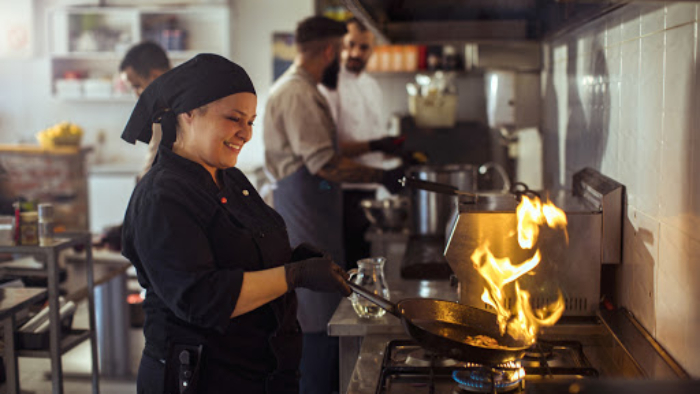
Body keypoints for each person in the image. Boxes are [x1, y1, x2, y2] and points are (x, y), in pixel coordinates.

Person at [120, 53, 352, 394]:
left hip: (258, 376)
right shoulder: (163, 195)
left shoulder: (230, 179)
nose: (245, 133)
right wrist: (294, 276)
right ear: (188, 113)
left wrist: (292, 259)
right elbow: (201, 297)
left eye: (251, 122)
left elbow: (239, 252)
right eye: (234, 118)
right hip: (201, 379)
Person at [263, 16, 404, 394]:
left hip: (316, 211)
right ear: (329, 50)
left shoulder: (304, 90)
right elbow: (324, 164)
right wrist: (382, 176)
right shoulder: (297, 94)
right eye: (342, 50)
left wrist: (377, 148)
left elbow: (329, 154)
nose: (343, 59)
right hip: (304, 217)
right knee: (316, 322)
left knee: (324, 314)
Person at [319, 18, 404, 270]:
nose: (355, 53)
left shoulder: (372, 86)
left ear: (373, 49)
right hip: (338, 194)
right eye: (350, 45)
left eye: (363, 47)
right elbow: (328, 149)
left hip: (369, 191)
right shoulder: (328, 86)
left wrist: (395, 154)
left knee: (365, 265)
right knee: (344, 268)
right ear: (339, 45)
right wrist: (376, 144)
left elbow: (372, 143)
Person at [119, 41, 172, 177]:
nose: (136, 94)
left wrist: (141, 186)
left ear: (155, 76)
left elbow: (155, 161)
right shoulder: (187, 97)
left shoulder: (166, 110)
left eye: (137, 86)